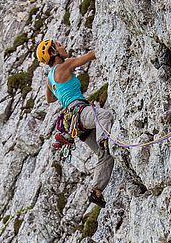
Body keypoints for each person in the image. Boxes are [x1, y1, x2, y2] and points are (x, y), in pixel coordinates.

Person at [36, 39, 114, 208]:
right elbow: (91, 55)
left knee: (104, 155)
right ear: (54, 53)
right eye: (59, 45)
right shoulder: (65, 65)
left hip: (72, 122)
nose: (64, 46)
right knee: (105, 116)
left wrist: (59, 88)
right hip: (79, 111)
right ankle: (104, 139)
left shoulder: (50, 79)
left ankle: (97, 191)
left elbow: (49, 99)